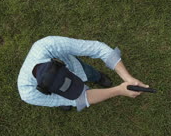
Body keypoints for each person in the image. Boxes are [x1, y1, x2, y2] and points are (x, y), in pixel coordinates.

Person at [17, 36, 149, 111]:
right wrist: (119, 90)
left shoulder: (48, 45)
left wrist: (128, 78)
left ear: (59, 63)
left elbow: (98, 49)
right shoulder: (28, 93)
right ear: (43, 89)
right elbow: (80, 99)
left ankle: (97, 77)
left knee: (90, 73)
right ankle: (62, 101)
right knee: (63, 101)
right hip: (54, 95)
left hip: (77, 67)